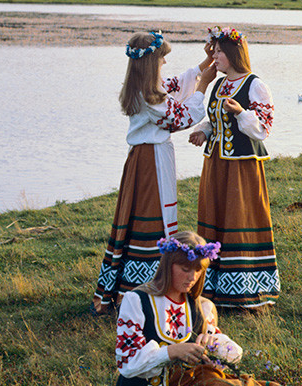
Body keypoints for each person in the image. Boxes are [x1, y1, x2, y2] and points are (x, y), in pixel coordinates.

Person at [114, 231, 300, 386]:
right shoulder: (137, 301)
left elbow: (234, 355)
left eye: (199, 270)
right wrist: (171, 352)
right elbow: (128, 364)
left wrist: (213, 345)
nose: (192, 277)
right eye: (185, 269)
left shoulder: (200, 306)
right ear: (168, 266)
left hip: (191, 385)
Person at [92, 31, 215, 315]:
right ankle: (143, 289)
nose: (165, 65)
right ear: (151, 64)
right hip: (150, 161)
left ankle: (130, 288)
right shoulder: (150, 96)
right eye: (162, 60)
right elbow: (180, 117)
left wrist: (201, 66)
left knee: (138, 217)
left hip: (144, 157)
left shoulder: (142, 86)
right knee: (153, 218)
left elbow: (172, 86)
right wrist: (203, 86)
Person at [188, 26, 280, 310]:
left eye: (218, 51)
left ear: (233, 53)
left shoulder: (254, 84)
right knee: (215, 214)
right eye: (213, 51)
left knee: (239, 217)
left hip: (241, 166)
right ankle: (214, 286)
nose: (214, 56)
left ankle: (245, 290)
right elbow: (214, 118)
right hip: (216, 163)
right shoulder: (218, 84)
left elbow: (264, 128)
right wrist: (204, 130)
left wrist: (240, 113)